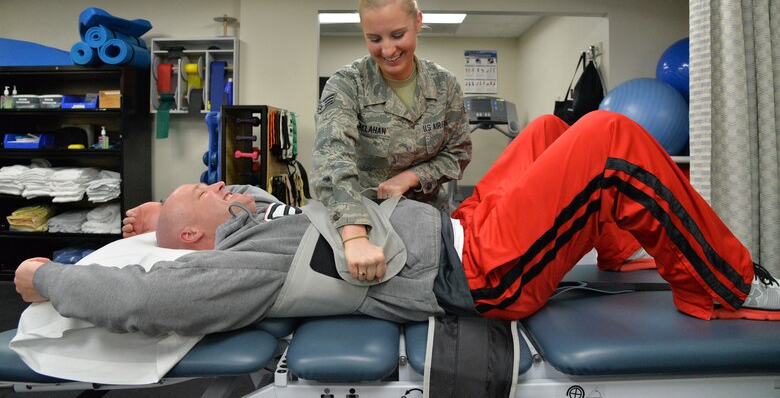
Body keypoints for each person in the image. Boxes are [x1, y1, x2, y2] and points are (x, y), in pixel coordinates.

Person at [15, 111, 780, 338]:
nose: (223, 183)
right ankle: (722, 287)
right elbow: (147, 301)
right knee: (609, 141)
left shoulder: (258, 220)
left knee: (548, 129)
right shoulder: (238, 264)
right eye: (206, 190)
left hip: (461, 224)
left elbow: (197, 218)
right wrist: (46, 277)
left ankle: (620, 255)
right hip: (477, 271)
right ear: (195, 238)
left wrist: (157, 214)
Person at [312, 0, 472, 280]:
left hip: (430, 224)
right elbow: (332, 158)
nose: (387, 50)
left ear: (418, 21)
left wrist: (412, 177)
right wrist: (355, 236)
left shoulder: (444, 85)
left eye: (398, 35)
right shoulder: (348, 84)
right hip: (365, 223)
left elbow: (458, 153)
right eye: (374, 39)